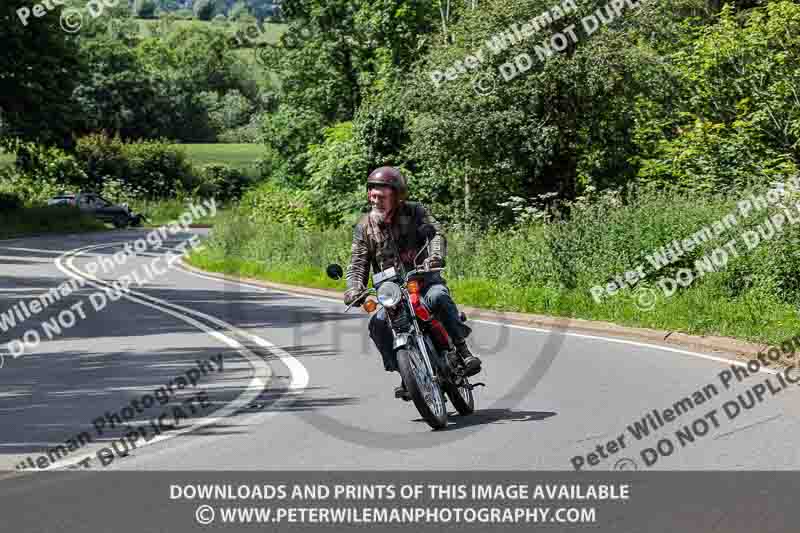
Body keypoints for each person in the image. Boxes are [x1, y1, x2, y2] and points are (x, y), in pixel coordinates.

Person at [343, 166, 482, 399]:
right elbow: (358, 262)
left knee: (438, 297)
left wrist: (435, 255)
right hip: (392, 290)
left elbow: (435, 234)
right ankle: (406, 373)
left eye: (382, 195)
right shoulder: (364, 226)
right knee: (377, 323)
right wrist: (354, 288)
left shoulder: (415, 212)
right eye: (372, 194)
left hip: (423, 280)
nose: (376, 199)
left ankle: (462, 349)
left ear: (397, 195)